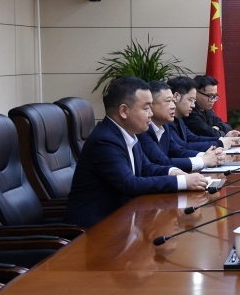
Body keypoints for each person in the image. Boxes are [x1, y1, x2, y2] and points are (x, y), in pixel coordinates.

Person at [66, 77, 209, 228]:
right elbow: (129, 184)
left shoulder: (128, 134)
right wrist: (182, 182)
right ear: (124, 111)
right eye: (146, 108)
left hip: (124, 218)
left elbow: (147, 168)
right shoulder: (105, 140)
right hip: (96, 228)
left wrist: (174, 172)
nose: (151, 114)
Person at [138, 80, 224, 172]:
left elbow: (178, 151)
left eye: (172, 101)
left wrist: (207, 156)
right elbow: (161, 161)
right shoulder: (142, 131)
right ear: (150, 105)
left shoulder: (164, 126)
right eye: (168, 101)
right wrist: (204, 160)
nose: (173, 106)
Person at [167, 76, 224, 152]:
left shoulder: (179, 118)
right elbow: (182, 148)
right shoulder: (166, 121)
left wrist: (221, 139)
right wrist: (220, 143)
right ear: (176, 97)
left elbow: (192, 138)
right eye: (190, 100)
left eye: (194, 100)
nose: (193, 105)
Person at [186, 74, 240, 140]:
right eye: (210, 96)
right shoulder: (189, 111)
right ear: (195, 93)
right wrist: (223, 134)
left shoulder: (207, 109)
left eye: (215, 96)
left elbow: (227, 126)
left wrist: (217, 127)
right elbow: (210, 134)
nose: (213, 100)